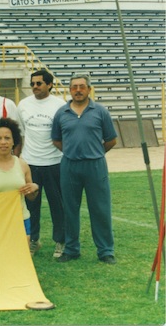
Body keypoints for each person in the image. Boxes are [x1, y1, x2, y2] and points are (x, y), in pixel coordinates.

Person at [51, 72, 118, 264]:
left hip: (95, 166)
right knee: (70, 209)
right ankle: (71, 249)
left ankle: (105, 250)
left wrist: (95, 153)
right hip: (70, 166)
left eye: (82, 87)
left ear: (89, 89)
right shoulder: (61, 113)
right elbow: (56, 140)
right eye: (74, 87)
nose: (78, 90)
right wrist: (74, 153)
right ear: (70, 90)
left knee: (100, 209)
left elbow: (111, 139)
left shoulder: (100, 111)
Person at [17, 69, 66, 258]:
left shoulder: (60, 105)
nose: (35, 87)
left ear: (50, 84)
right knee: (31, 207)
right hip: (30, 163)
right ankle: (33, 240)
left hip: (54, 162)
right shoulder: (23, 105)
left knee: (57, 205)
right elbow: (21, 133)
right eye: (32, 83)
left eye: (39, 83)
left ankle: (60, 241)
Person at [0, 118, 39, 243]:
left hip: (21, 218)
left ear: (13, 141)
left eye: (7, 138)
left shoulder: (23, 165)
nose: (3, 142)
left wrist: (34, 188)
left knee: (22, 260)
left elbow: (31, 197)